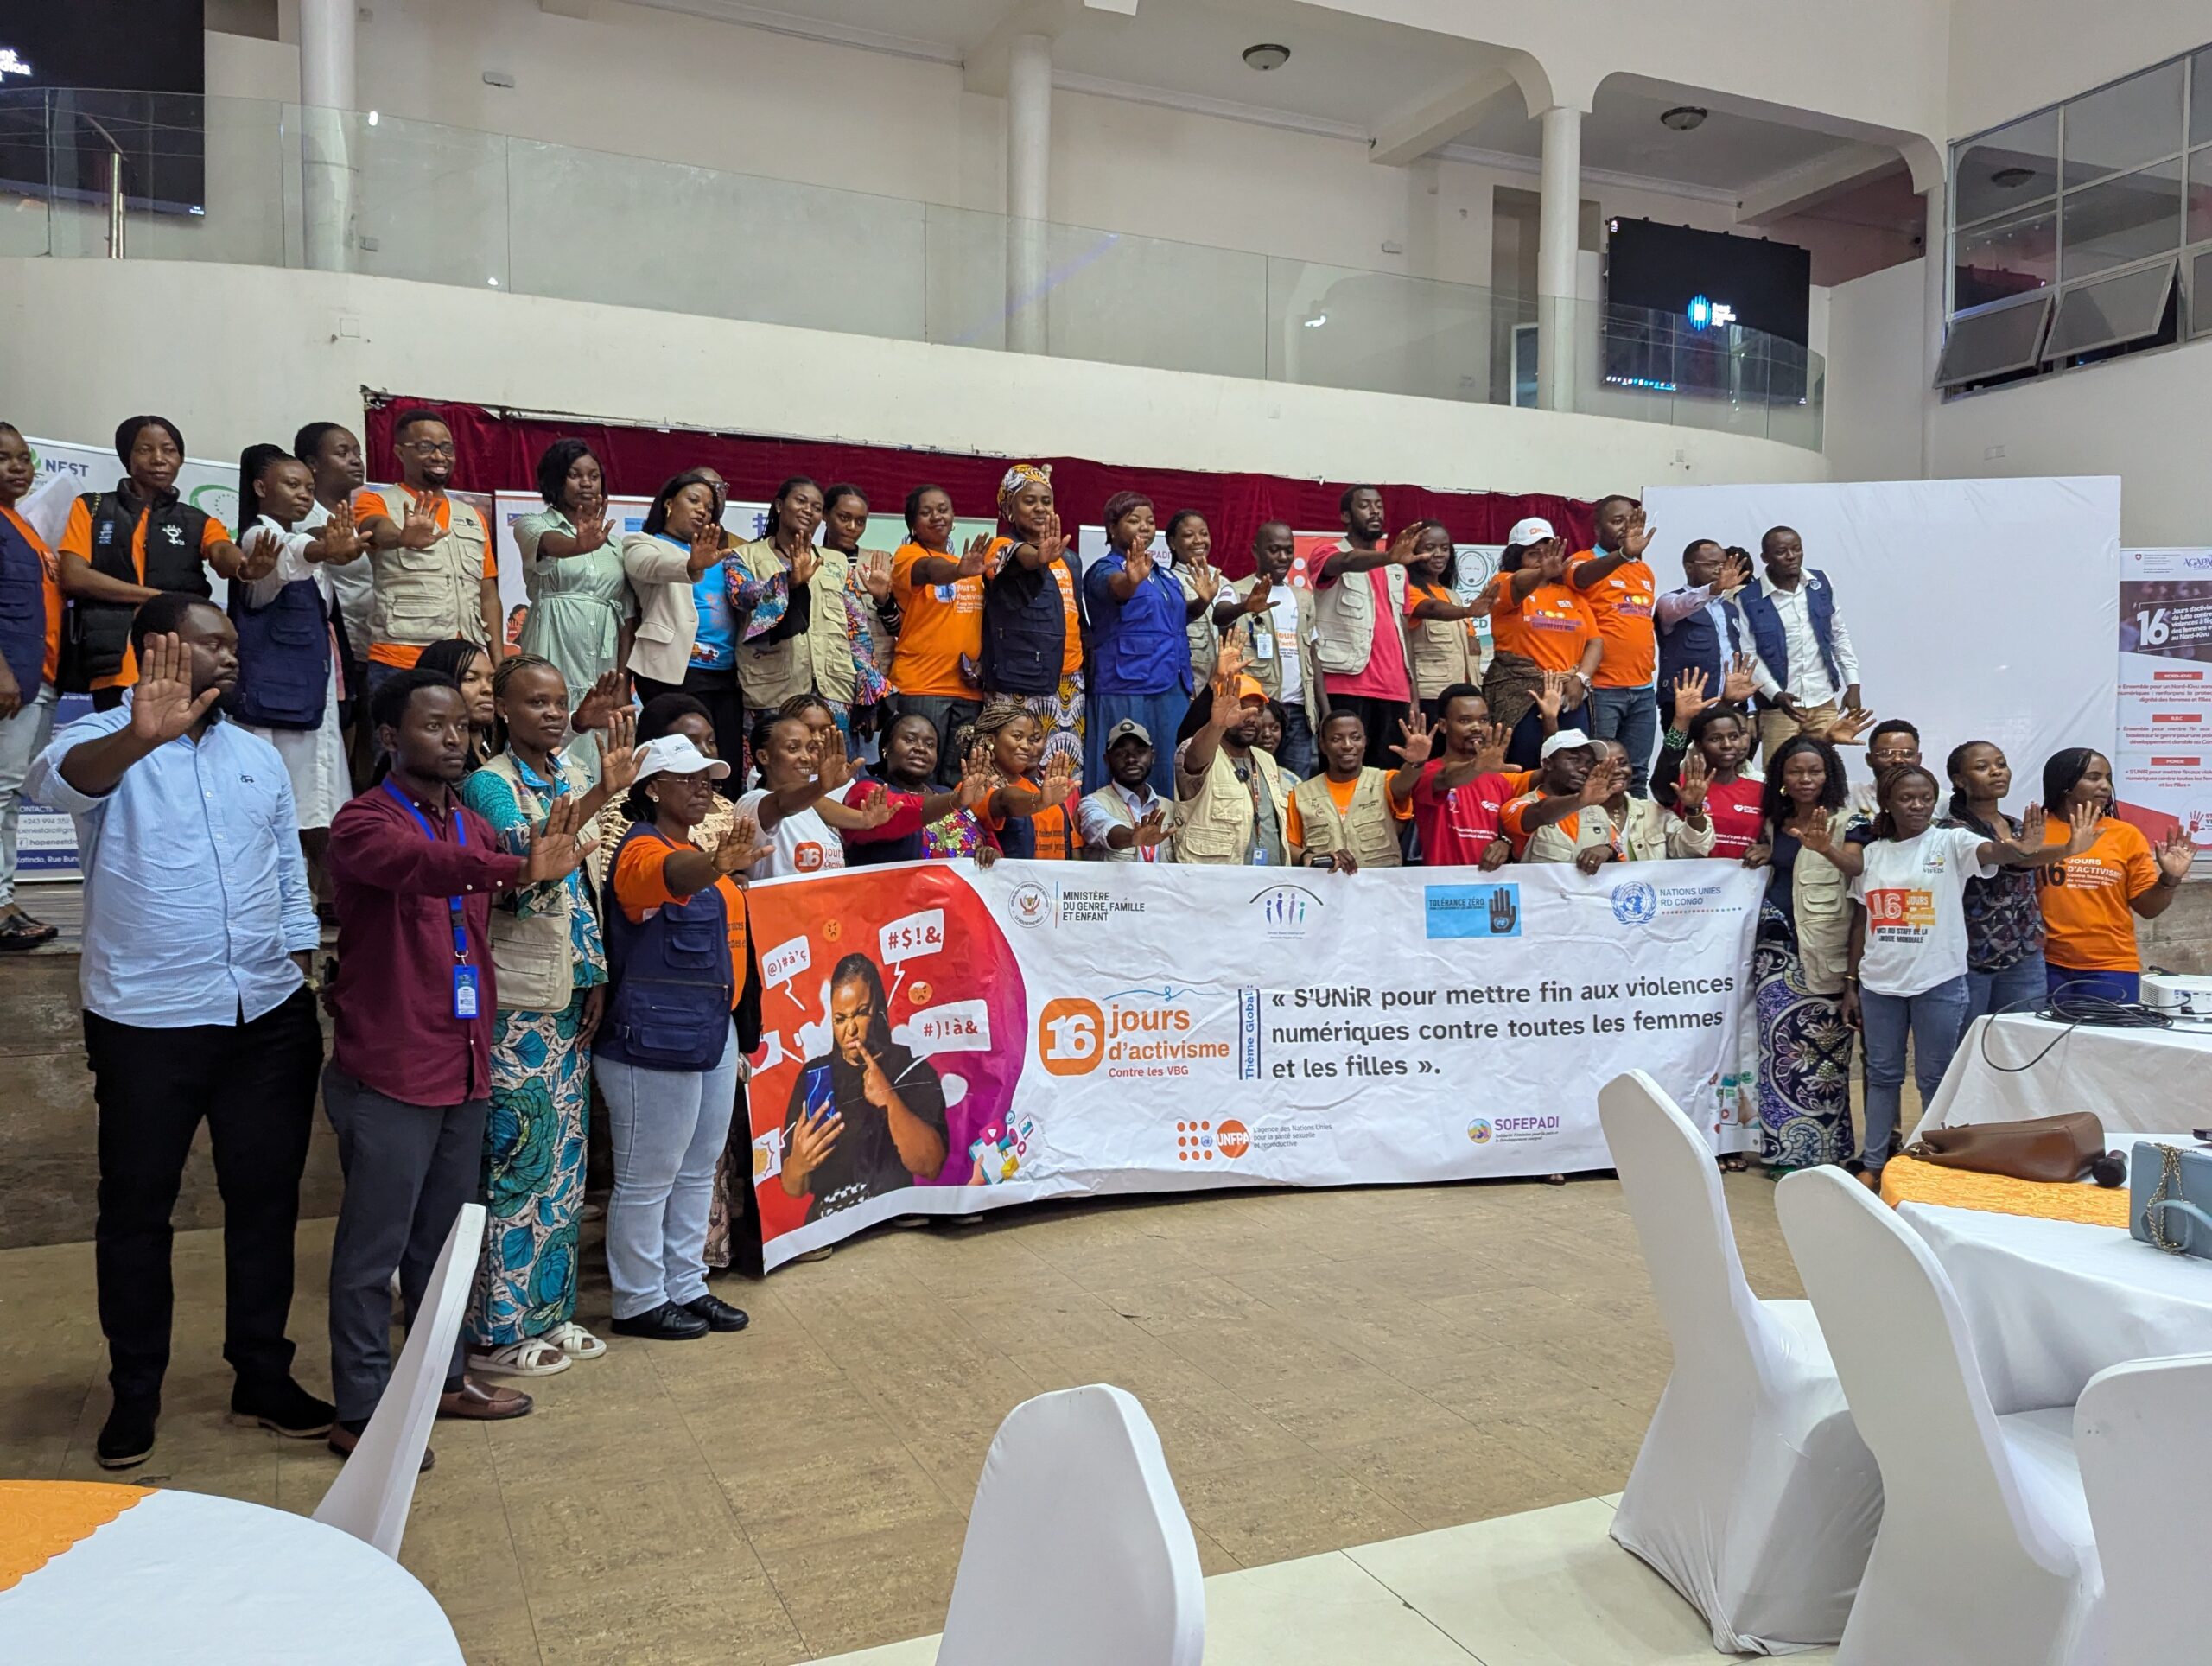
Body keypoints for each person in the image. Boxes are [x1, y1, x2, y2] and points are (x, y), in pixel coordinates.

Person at [26, 601, 330, 1469]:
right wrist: (139, 738)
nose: (231, 654)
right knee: (137, 1210)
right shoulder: (104, 738)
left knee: (265, 1203)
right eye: (212, 641)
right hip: (147, 1021)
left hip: (265, 1015)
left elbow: (285, 868)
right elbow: (56, 784)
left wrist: (299, 957)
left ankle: (261, 1374)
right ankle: (135, 1390)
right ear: (155, 646)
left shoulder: (256, 755)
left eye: (233, 643)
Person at [322, 669, 595, 1455]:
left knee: (444, 1247)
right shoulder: (364, 821)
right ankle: (361, 1408)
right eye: (433, 726)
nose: (454, 740)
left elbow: (521, 863)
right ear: (388, 737)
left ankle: (441, 1380)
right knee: (373, 1252)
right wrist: (518, 867)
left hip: (466, 1060)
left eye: (461, 728)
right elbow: (422, 867)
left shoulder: (469, 824)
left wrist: (554, 842)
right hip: (393, 1068)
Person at [457, 657, 639, 1376]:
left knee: (563, 1167)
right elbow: (531, 858)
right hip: (518, 997)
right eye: (535, 702)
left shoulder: (565, 773)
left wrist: (595, 975)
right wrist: (601, 793)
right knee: (515, 1161)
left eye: (560, 702)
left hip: (567, 989)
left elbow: (581, 893)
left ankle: (550, 1312)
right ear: (503, 710)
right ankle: (498, 1331)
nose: (553, 713)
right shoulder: (490, 783)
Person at [1844, 763, 2089, 1185]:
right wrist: (1851, 982)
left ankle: (1933, 1161)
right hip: (1879, 984)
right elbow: (1861, 920)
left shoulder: (1951, 841)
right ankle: (1875, 1163)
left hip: (1938, 982)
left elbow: (1996, 853)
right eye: (1907, 798)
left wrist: (2028, 849)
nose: (1917, 805)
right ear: (1888, 803)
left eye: (1925, 798)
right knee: (1882, 1076)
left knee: (1934, 1078)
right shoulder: (1872, 854)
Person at [600, 732, 766, 1339]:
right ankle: (639, 1299)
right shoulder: (641, 850)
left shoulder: (697, 851)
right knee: (648, 1177)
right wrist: (715, 864)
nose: (703, 789)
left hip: (709, 1029)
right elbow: (670, 876)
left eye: (707, 780)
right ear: (652, 789)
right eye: (688, 779)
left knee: (698, 1169)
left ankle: (685, 1284)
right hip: (652, 1037)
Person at [57, 415, 248, 709]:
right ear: (127, 458)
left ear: (180, 459)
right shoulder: (93, 507)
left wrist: (246, 566)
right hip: (114, 661)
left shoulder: (198, 520)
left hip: (184, 666)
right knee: (121, 737)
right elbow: (74, 576)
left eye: (169, 450)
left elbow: (223, 554)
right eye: (145, 450)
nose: (159, 459)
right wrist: (158, 599)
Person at [229, 446, 360, 849]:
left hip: (310, 689)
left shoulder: (305, 535)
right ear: (260, 488)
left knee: (319, 806)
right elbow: (292, 550)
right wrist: (325, 550)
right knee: (278, 805)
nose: (304, 494)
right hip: (275, 696)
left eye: (308, 488)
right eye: (292, 485)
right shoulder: (257, 536)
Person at [1742, 734, 1856, 1171]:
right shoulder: (1774, 822)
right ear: (1781, 778)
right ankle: (1785, 1154)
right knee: (1780, 1055)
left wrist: (1826, 848)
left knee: (1827, 1059)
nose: (1806, 779)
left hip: (1823, 953)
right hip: (1775, 956)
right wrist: (1768, 853)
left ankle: (1829, 1154)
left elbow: (1858, 870)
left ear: (1829, 775)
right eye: (1796, 771)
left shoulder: (1850, 821)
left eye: (1815, 771)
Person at [779, 952, 950, 1224]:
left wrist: (889, 1099)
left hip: (893, 1219)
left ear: (879, 1009)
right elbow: (792, 1187)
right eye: (840, 1019)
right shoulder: (815, 1077)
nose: (850, 1030)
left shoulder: (909, 1067)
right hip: (828, 1227)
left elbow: (930, 1165)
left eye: (860, 1013)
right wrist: (799, 1165)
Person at [353, 410, 501, 690]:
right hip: (400, 659)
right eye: (426, 447)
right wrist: (401, 537)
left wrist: (497, 661)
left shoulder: (473, 516)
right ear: (400, 452)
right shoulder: (376, 501)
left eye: (446, 448)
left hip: (465, 664)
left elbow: (488, 594)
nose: (438, 456)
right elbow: (377, 529)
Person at [2036, 747, 2194, 1008]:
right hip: (2043, 965)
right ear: (2065, 784)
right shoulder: (2036, 832)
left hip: (2111, 967)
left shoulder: (2126, 835)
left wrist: (2170, 878)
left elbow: (2148, 909)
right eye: (2093, 777)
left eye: (2108, 778)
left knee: (2106, 1034)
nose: (2105, 786)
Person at [510, 439, 632, 771]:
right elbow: (549, 545)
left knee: (598, 739)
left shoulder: (616, 546)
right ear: (556, 480)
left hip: (602, 663)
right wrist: (578, 546)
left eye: (594, 476)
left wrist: (623, 683)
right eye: (575, 475)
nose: (587, 483)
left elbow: (627, 619)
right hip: (552, 647)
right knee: (548, 721)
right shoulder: (533, 524)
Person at [622, 469, 741, 767]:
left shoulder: (720, 556)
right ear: (669, 503)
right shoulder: (644, 543)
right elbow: (649, 566)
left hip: (725, 675)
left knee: (725, 762)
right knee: (682, 764)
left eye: (709, 507)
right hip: (676, 672)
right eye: (694, 500)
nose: (702, 510)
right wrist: (691, 565)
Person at [1084, 491, 1193, 798]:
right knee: (1122, 769)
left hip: (1171, 686)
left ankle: (1165, 828)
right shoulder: (1104, 569)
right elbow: (1118, 589)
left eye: (1150, 521)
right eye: (1134, 520)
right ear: (1112, 528)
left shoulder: (1163, 576)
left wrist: (1204, 601)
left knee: (1170, 771)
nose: (1145, 527)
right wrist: (1131, 581)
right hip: (1126, 686)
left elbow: (1172, 621)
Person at [0, 423, 62, 948]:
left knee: (11, 793)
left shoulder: (23, 523)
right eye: (3, 458)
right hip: (11, 677)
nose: (17, 467)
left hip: (38, 675)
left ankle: (4, 900)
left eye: (23, 458)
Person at [1944, 741, 2057, 1021]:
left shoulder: (2019, 827)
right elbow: (2007, 858)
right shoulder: (1952, 830)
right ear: (1959, 781)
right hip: (1969, 960)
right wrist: (2067, 849)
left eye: (2001, 764)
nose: (1997, 772)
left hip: (2024, 956)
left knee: (2021, 1040)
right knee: (1967, 1043)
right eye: (1982, 767)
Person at [982, 464, 1084, 764]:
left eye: (1046, 501)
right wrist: (1038, 556)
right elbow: (1019, 557)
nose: (1040, 508)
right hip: (1020, 680)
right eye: (1029, 501)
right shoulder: (1000, 547)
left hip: (1068, 682)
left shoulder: (1070, 558)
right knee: (1014, 768)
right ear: (1009, 509)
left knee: (1062, 771)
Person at [1312, 487, 1419, 770]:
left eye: (1379, 505)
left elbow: (1404, 632)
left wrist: (1413, 697)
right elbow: (1347, 562)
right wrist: (1389, 557)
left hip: (1395, 691)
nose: (1375, 511)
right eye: (1365, 505)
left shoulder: (1397, 569)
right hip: (1345, 685)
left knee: (1387, 780)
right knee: (1342, 776)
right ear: (1345, 516)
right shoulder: (1328, 553)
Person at [732, 477, 853, 726]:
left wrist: (870, 692)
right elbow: (741, 595)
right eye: (801, 501)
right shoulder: (743, 556)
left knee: (835, 752)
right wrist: (788, 582)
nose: (808, 510)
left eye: (816, 507)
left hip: (833, 692)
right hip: (772, 692)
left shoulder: (837, 562)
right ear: (779, 505)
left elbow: (857, 628)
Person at [890, 484, 989, 783]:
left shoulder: (974, 568)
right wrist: (958, 571)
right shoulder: (908, 555)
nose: (937, 516)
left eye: (943, 509)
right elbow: (930, 570)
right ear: (912, 524)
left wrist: (982, 665)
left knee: (958, 782)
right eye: (926, 512)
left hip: (968, 692)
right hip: (922, 687)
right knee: (918, 779)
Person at [1482, 518, 1600, 769]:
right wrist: (1540, 574)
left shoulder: (1572, 595)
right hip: (1521, 694)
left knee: (1574, 767)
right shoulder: (1502, 582)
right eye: (1533, 553)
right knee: (1525, 766)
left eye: (1548, 552)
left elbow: (1595, 642)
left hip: (1569, 693)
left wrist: (1581, 679)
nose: (1543, 559)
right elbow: (1517, 584)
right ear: (1516, 556)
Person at [1738, 525, 1861, 762]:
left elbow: (1838, 635)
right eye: (1781, 552)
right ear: (1765, 558)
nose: (1791, 556)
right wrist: (1775, 694)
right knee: (1777, 771)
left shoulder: (1821, 582)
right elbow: (1749, 654)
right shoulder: (1748, 598)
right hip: (1779, 707)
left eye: (1796, 549)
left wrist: (1853, 683)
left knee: (1823, 769)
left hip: (1822, 698)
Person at [292, 422, 373, 774]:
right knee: (338, 760)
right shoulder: (303, 518)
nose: (356, 460)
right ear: (312, 463)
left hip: (370, 647)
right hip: (335, 653)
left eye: (357, 452)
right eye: (343, 453)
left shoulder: (361, 516)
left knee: (367, 755)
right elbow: (314, 544)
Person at [1212, 520, 1322, 780]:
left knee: (1295, 785)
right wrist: (1245, 607)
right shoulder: (1236, 590)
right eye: (1274, 550)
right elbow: (1219, 615)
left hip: (1298, 712)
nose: (1283, 557)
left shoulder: (1304, 597)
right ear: (1255, 551)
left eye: (1288, 550)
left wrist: (1324, 710)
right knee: (1253, 779)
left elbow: (1313, 655)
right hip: (1255, 708)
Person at [1568, 497, 1662, 792]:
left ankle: (1636, 823)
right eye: (1617, 521)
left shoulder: (1644, 571)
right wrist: (1622, 555)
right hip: (1601, 688)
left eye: (1631, 521)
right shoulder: (1582, 560)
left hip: (1642, 689)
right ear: (1597, 528)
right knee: (1598, 770)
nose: (1625, 527)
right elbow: (1581, 578)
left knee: (1637, 773)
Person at [1175, 647, 1294, 866]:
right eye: (1240, 708)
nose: (1249, 717)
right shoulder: (1200, 749)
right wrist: (1217, 724)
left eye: (1257, 711)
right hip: (1218, 879)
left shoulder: (1266, 760)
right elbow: (1195, 758)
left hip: (1271, 878)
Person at [1387, 685, 1523, 870]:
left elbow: (1509, 830)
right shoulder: (1426, 772)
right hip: (1439, 886)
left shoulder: (1501, 781)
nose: (1477, 727)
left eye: (1483, 720)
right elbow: (1446, 777)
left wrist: (1505, 843)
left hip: (1488, 886)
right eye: (1465, 720)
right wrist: (1476, 766)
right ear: (1443, 725)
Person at [739, 711, 881, 878]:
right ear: (764, 756)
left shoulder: (813, 810)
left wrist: (869, 820)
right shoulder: (752, 803)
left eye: (810, 748)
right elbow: (781, 803)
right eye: (793, 748)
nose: (806, 757)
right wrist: (821, 786)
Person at [842, 710, 995, 865]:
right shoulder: (867, 789)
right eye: (910, 740)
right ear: (886, 748)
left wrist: (989, 853)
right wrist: (955, 800)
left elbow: (987, 839)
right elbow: (902, 813)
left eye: (930, 745)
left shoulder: (945, 792)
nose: (921, 748)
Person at [819, 484, 901, 742]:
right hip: (824, 679)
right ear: (825, 514)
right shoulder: (810, 560)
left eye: (860, 521)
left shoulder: (881, 562)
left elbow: (898, 628)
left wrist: (883, 599)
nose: (852, 527)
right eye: (844, 518)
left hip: (872, 684)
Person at [1283, 709, 1414, 871]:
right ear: (1322, 745)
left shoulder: (1385, 781)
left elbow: (1404, 784)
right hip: (1325, 883)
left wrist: (1416, 763)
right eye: (1336, 739)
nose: (1347, 745)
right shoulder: (1300, 795)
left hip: (1380, 885)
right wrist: (1307, 856)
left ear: (1365, 742)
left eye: (1355, 738)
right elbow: (1288, 845)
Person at [969, 697, 1083, 859]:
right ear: (990, 741)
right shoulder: (976, 787)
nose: (1027, 746)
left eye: (1031, 740)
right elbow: (1004, 800)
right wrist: (1040, 801)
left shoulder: (1042, 785)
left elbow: (1070, 845)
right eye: (1017, 737)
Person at [1655, 540, 1753, 727]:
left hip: (1729, 704)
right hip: (1685, 706)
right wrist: (1713, 589)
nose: (1720, 570)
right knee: (1677, 746)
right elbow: (1680, 606)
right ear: (1689, 567)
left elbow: (1741, 657)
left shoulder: (1731, 608)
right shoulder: (1670, 601)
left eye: (1723, 564)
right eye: (1712, 564)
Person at [1655, 696, 1765, 861]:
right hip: (1690, 875)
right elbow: (1660, 785)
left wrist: (1768, 849)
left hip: (1744, 875)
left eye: (1734, 737)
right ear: (1699, 745)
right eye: (1715, 739)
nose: (1727, 745)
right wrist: (1680, 722)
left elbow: (1773, 836)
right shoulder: (1684, 786)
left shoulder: (1760, 790)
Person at [1403, 522, 1487, 732]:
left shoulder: (1453, 596)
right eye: (1430, 548)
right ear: (1414, 552)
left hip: (1463, 697)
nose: (1439, 554)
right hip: (1430, 696)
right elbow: (1431, 608)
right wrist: (1467, 611)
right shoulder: (1407, 590)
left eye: (1445, 548)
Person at [1499, 732, 1624, 869]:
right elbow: (1541, 812)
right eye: (1574, 759)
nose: (1584, 769)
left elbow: (1621, 860)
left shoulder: (1598, 812)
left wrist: (1608, 850)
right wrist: (1579, 800)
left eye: (1590, 763)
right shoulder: (1517, 806)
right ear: (1547, 764)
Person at [1603, 737, 1716, 862]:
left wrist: (1694, 808)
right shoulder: (1584, 815)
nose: (1617, 770)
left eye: (1623, 763)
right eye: (1607, 765)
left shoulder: (1653, 811)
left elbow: (1694, 849)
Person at [1078, 717, 1175, 862]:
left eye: (1140, 751)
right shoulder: (1093, 803)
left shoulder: (1170, 809)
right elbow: (1106, 830)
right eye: (1121, 753)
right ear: (1107, 760)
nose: (1131, 759)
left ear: (1153, 756)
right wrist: (1134, 837)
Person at [414, 638, 497, 773]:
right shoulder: (430, 766)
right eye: (471, 679)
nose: (488, 689)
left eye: (492, 680)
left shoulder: (505, 748)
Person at [1164, 510, 1224, 693]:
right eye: (1189, 535)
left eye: (1204, 534)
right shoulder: (1167, 583)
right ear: (1172, 543)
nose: (1199, 540)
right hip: (1187, 689)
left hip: (1223, 689)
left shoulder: (1223, 581)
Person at [1849, 719, 1922, 821]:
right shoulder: (1852, 794)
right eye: (1885, 753)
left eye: (1907, 753)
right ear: (1869, 759)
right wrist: (1829, 740)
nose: (1897, 760)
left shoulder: (1938, 800)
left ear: (1919, 759)